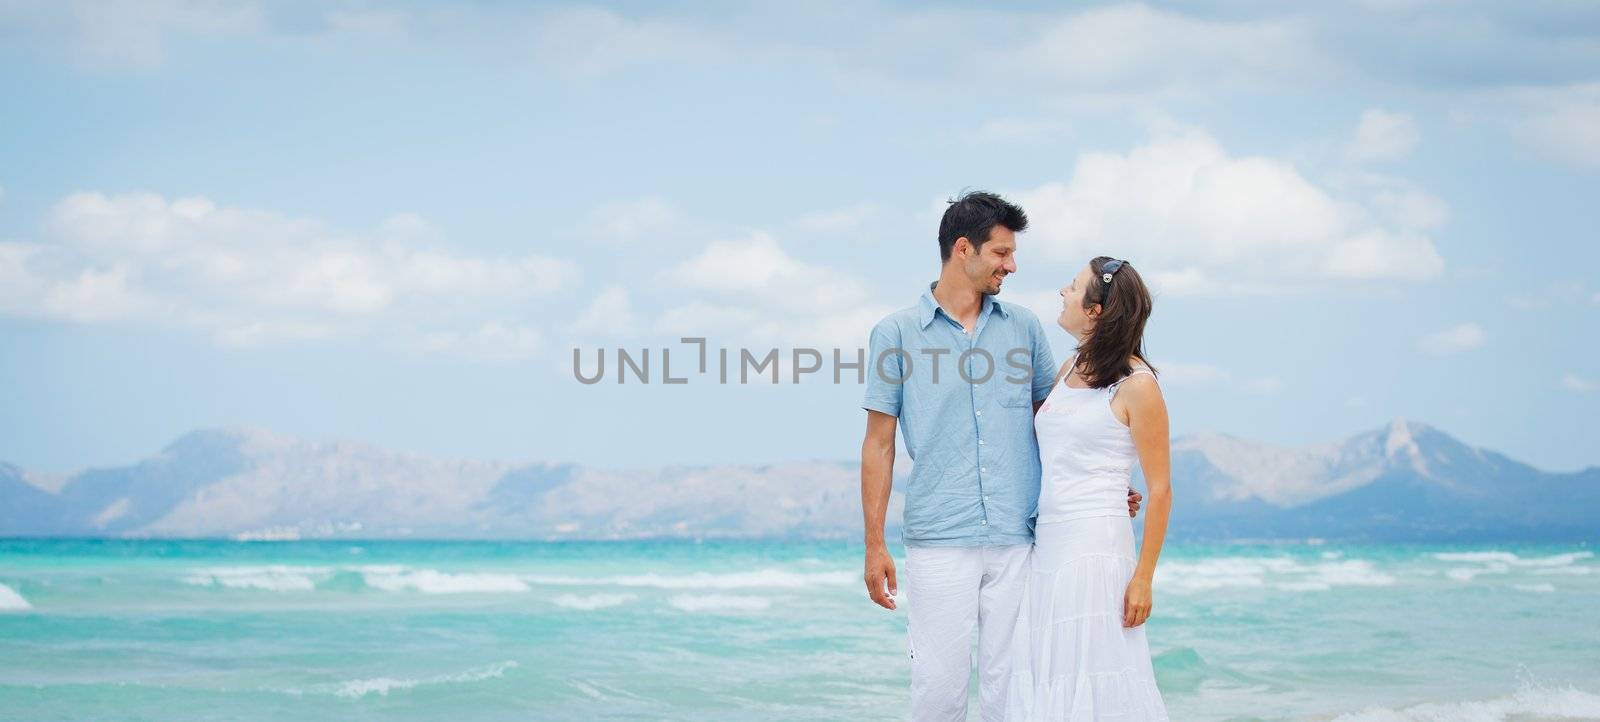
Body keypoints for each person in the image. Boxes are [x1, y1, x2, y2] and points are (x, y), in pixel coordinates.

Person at [860, 192, 1142, 722]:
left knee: (1011, 692)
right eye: (1001, 253)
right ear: (963, 249)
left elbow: (1053, 418)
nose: (1011, 265)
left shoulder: (1024, 328)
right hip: (940, 536)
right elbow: (879, 444)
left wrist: (1097, 484)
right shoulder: (895, 334)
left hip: (1021, 536)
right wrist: (874, 544)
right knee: (937, 691)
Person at [1005, 257, 1171, 720]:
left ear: (1096, 310)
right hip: (1048, 547)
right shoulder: (1068, 368)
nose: (1062, 292)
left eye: (1073, 286)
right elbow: (1062, 454)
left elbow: (1161, 490)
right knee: (1048, 670)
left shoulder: (1139, 386)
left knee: (1096, 671)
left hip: (1097, 550)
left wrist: (1143, 578)